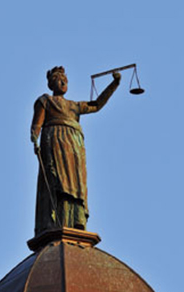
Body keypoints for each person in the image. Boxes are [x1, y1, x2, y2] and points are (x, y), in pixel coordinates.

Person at [30, 66, 121, 234]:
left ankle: (76, 219)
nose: (64, 82)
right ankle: (57, 218)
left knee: (76, 182)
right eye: (59, 79)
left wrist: (114, 84)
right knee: (58, 179)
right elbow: (36, 124)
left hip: (74, 146)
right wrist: (35, 138)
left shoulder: (74, 106)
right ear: (52, 84)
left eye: (65, 80)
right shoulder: (45, 101)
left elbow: (97, 105)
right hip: (55, 141)